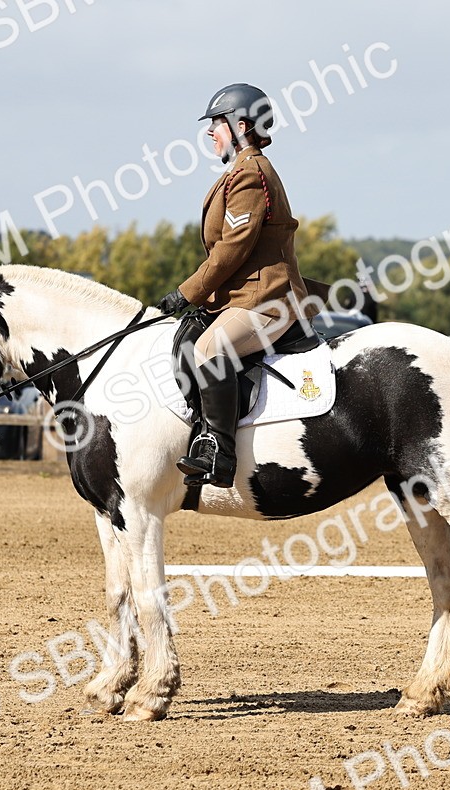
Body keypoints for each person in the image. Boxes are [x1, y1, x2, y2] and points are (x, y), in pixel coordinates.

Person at [154, 83, 310, 488]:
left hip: (270, 300)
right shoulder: (239, 170)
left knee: (209, 349)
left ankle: (219, 453)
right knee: (189, 338)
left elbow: (231, 250)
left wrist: (186, 293)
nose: (210, 132)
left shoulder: (250, 174)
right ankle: (202, 428)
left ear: (240, 126)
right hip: (245, 296)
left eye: (217, 124)